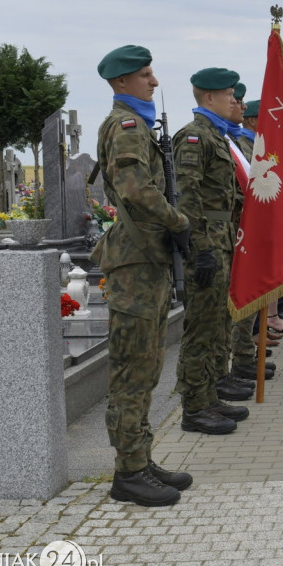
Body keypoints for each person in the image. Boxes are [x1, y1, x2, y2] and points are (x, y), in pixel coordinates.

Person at [93, 44, 193, 506]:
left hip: (145, 260)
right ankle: (128, 472)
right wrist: (178, 222)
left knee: (149, 365)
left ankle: (139, 459)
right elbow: (136, 190)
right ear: (121, 83)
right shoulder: (127, 126)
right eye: (145, 75)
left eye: (152, 74)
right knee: (133, 369)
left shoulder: (137, 127)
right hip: (135, 261)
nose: (154, 82)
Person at [174, 67, 251, 435]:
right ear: (209, 98)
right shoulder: (193, 137)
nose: (235, 100)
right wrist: (201, 248)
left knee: (219, 323)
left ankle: (209, 395)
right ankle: (193, 407)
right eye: (228, 95)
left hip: (222, 238)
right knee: (201, 328)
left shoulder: (216, 137)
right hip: (207, 242)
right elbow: (188, 198)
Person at [227, 92, 277, 383]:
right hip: (234, 229)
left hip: (244, 228)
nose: (240, 106)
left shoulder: (242, 142)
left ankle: (246, 352)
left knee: (251, 292)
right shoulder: (236, 143)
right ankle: (242, 355)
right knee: (239, 295)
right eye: (234, 100)